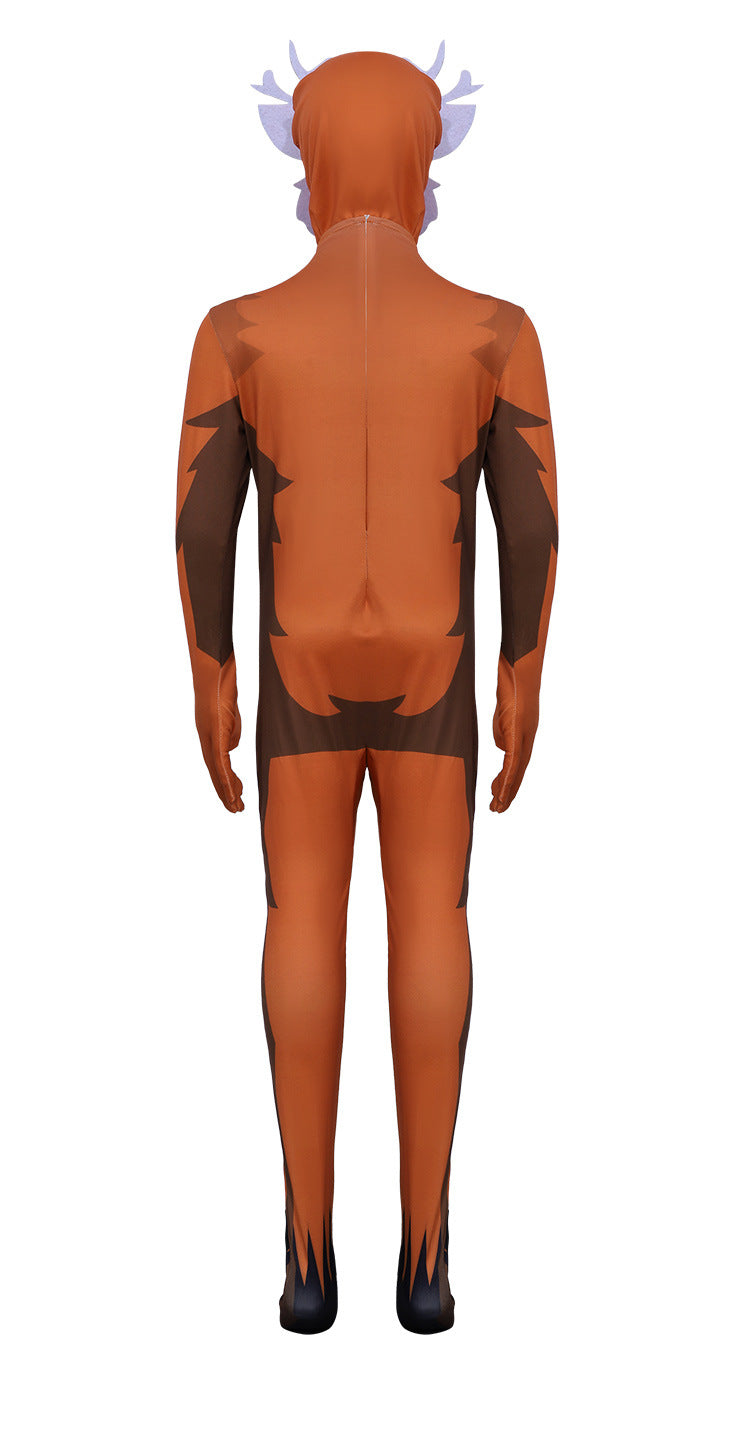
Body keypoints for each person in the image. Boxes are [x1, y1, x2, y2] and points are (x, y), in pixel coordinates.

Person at [175, 48, 558, 1334]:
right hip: (433, 662)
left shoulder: (236, 331)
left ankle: (306, 1260)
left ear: (312, 152)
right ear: (422, 152)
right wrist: (522, 675)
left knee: (301, 919)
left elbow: (201, 524)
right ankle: (428, 1262)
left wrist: (210, 676)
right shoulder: (497, 331)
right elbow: (532, 524)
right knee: (432, 920)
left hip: (301, 662)